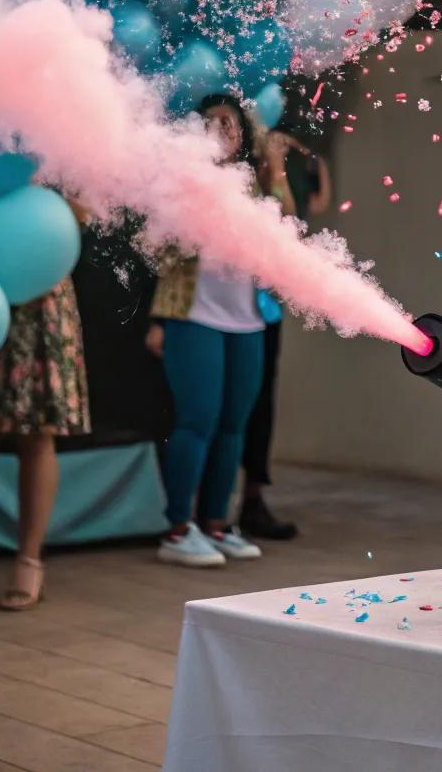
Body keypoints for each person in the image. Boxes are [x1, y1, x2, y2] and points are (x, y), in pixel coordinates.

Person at [147, 93, 296, 567]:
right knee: (197, 423)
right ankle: (176, 529)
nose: (220, 131)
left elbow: (287, 229)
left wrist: (275, 175)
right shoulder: (182, 181)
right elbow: (162, 250)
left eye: (229, 124)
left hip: (247, 320)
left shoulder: (252, 185)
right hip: (193, 316)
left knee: (234, 427)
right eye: (209, 124)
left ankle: (214, 523)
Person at [0, 192, 92, 611]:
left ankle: (30, 561)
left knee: (39, 435)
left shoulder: (65, 140)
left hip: (41, 295)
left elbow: (81, 215)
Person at [239, 133, 331, 541]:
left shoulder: (273, 185)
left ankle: (251, 501)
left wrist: (281, 169)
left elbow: (294, 220)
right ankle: (207, 513)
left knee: (260, 410)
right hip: (224, 314)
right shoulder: (231, 185)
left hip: (263, 315)